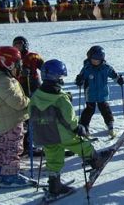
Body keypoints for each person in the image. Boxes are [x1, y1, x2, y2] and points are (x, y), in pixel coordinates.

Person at [30, 59, 112, 197]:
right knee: (80, 144)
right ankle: (96, 160)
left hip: (44, 133)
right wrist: (77, 128)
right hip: (60, 133)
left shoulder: (37, 94)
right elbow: (69, 117)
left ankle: (54, 185)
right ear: (57, 77)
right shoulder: (60, 98)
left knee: (53, 156)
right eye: (61, 77)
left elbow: (30, 111)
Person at [0, 46, 30, 185]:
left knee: (2, 146)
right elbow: (17, 103)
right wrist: (29, 101)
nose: (18, 68)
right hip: (12, 120)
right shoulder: (4, 82)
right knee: (13, 148)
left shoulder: (0, 78)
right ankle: (10, 174)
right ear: (7, 63)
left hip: (4, 120)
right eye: (17, 64)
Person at [75, 46, 124, 138]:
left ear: (102, 59)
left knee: (105, 109)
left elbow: (114, 74)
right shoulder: (87, 68)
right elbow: (81, 77)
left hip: (102, 93)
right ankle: (84, 126)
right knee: (89, 110)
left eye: (97, 59)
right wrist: (79, 80)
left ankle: (110, 124)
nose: (95, 61)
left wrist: (119, 79)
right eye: (93, 59)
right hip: (90, 94)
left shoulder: (106, 68)